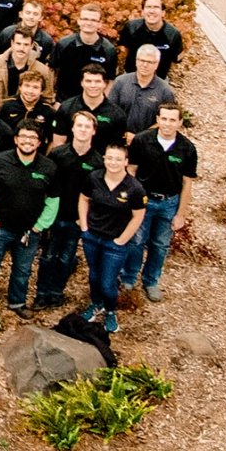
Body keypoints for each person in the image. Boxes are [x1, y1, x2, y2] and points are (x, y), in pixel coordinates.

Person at [0, 122, 58, 309]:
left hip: (29, 231)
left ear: (40, 142)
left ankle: (17, 303)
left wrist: (39, 226)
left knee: (22, 271)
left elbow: (53, 200)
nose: (28, 141)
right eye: (24, 137)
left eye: (33, 138)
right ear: (16, 139)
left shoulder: (49, 167)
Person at [121, 102, 196, 303]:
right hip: (144, 201)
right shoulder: (142, 141)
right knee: (136, 241)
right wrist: (131, 201)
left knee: (160, 245)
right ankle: (128, 277)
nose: (167, 124)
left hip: (169, 203)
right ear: (157, 119)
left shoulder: (187, 149)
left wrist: (181, 214)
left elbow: (187, 183)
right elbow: (131, 171)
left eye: (173, 120)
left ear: (180, 123)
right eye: (164, 119)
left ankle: (151, 281)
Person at [79, 143, 147, 333]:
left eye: (118, 159)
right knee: (94, 276)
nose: (113, 162)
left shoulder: (134, 188)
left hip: (115, 243)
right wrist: (84, 226)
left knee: (107, 283)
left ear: (126, 162)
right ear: (104, 159)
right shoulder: (94, 178)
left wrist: (122, 240)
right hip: (92, 237)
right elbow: (84, 199)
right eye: (109, 158)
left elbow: (138, 216)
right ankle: (96, 305)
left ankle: (110, 311)